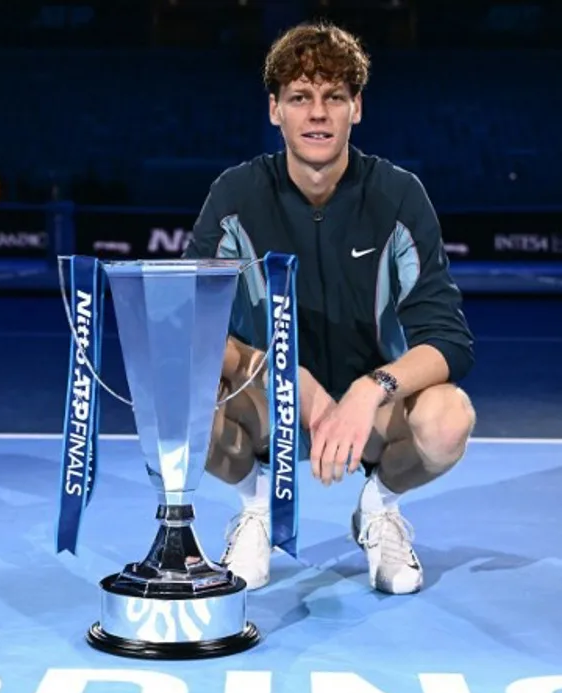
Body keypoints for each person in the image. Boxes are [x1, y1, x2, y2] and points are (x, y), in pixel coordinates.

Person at [183, 21, 476, 595]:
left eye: (333, 98)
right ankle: (257, 508)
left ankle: (378, 510)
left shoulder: (397, 196)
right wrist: (282, 376)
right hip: (270, 405)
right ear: (276, 111)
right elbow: (191, 324)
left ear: (355, 109)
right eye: (300, 98)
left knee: (448, 419)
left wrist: (370, 390)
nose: (317, 113)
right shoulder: (236, 196)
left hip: (370, 417)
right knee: (184, 401)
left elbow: (448, 340)